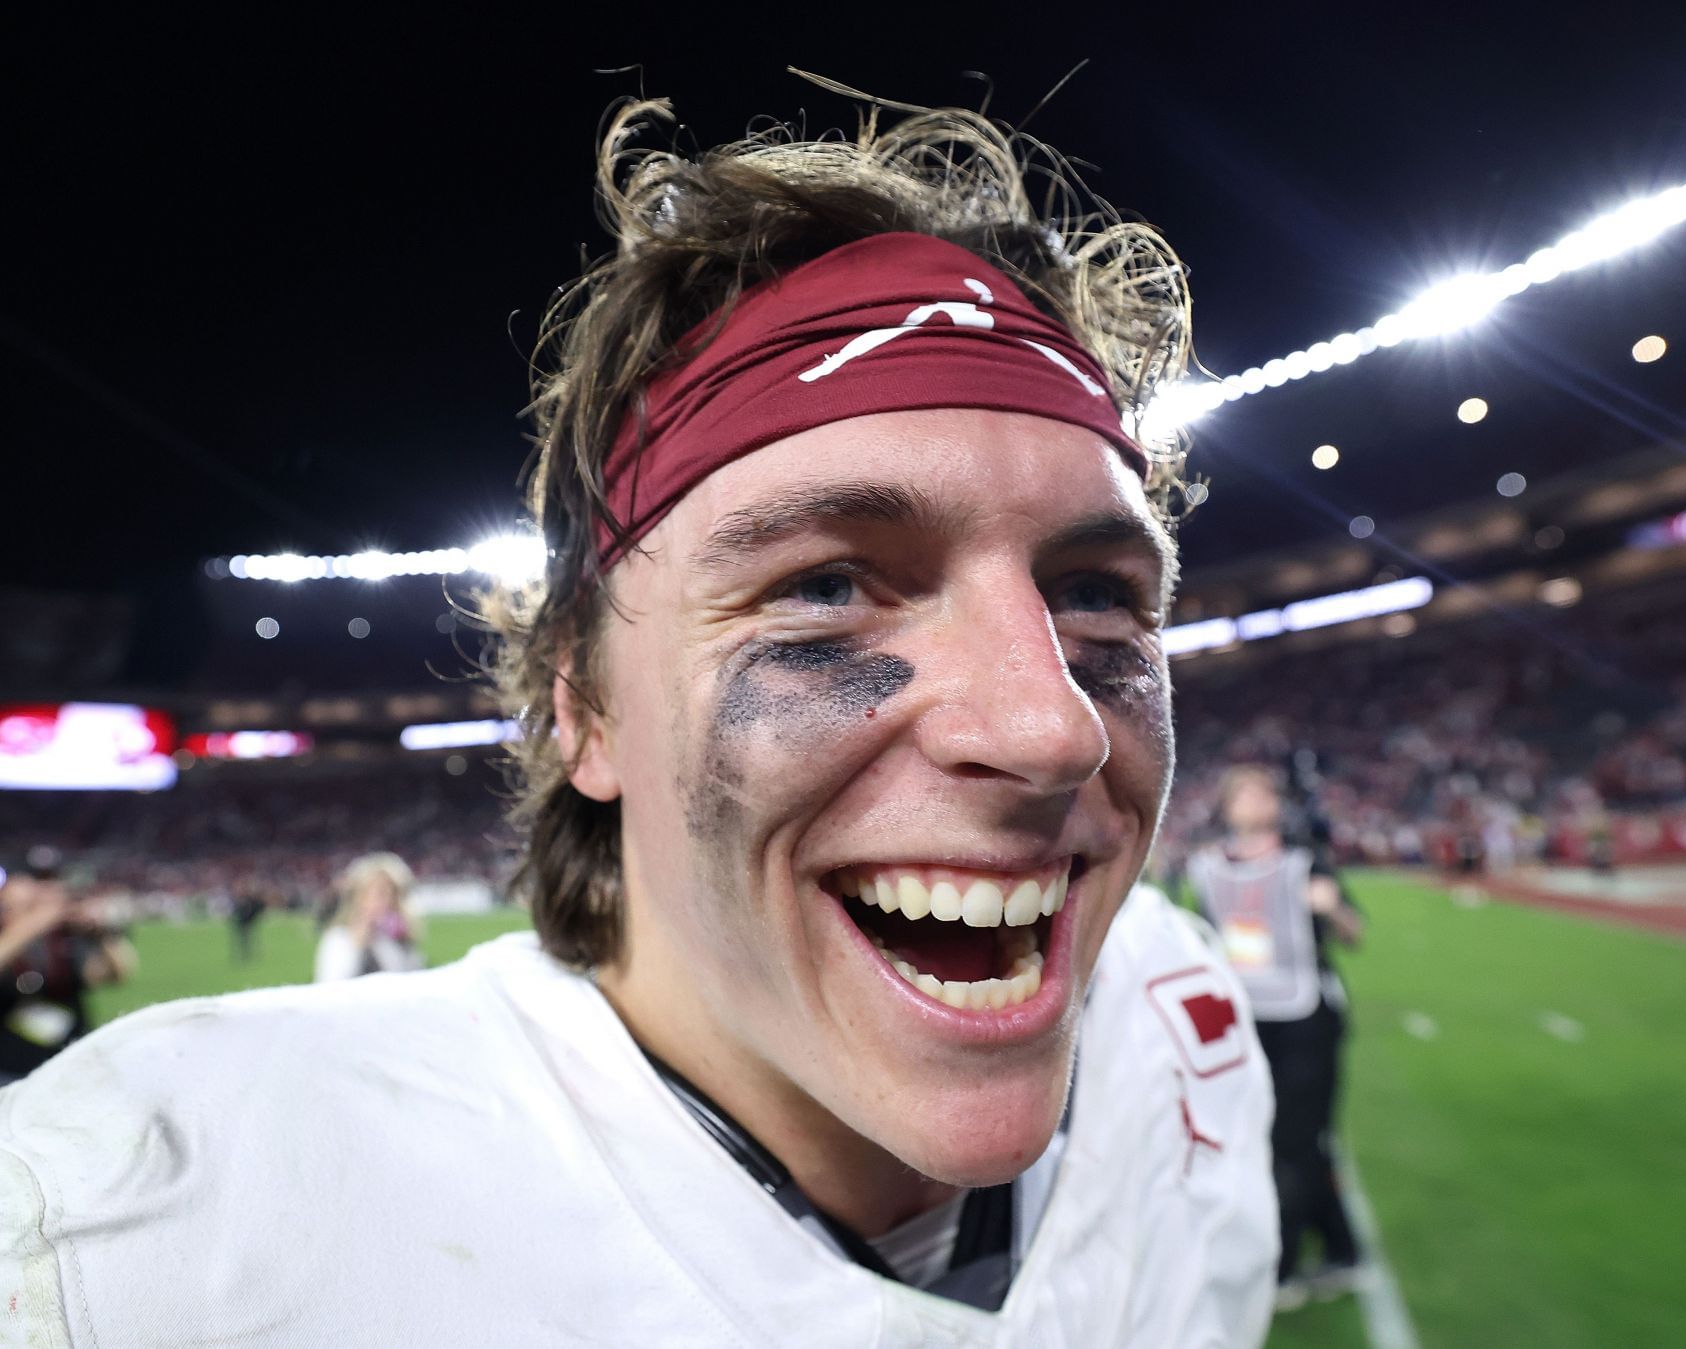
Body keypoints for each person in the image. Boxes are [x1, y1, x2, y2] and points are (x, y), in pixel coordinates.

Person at [0, 96, 1276, 1345]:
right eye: (827, 587)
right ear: (586, 706)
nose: (1052, 726)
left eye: (1096, 594)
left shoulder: (1179, 1017)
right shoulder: (133, 1245)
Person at [1187, 765, 1365, 1310]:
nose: (1254, 800)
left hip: (1304, 1020)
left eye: (1263, 792)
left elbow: (1355, 933)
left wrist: (1332, 907)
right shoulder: (1207, 867)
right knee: (1269, 1140)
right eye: (1243, 792)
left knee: (1294, 1142)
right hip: (1244, 1020)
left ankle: (1282, 1266)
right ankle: (1343, 1249)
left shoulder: (1304, 861)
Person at [0, 852, 137, 1087]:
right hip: (10, 1069)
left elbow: (115, 975)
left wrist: (102, 934)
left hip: (69, 1062)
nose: (47, 891)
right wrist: (34, 922)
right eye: (37, 881)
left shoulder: (62, 939)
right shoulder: (20, 930)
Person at [313, 851, 425, 982]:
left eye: (394, 893)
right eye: (380, 893)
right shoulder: (339, 938)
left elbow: (408, 982)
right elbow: (330, 985)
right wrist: (356, 945)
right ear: (359, 896)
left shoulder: (399, 939)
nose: (388, 901)